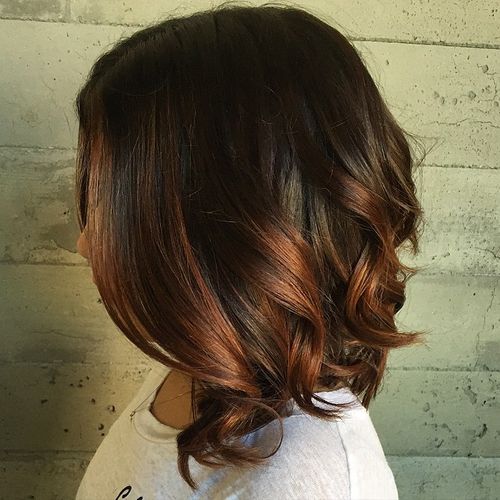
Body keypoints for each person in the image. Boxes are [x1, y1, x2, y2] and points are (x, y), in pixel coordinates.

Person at [73, 2, 426, 498]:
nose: (85, 245)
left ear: (223, 228)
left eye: (112, 209)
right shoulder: (199, 372)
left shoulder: (303, 484)